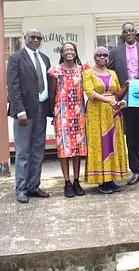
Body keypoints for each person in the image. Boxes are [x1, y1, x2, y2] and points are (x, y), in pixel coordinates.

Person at [7, 29, 54, 203]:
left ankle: (33, 186)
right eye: (32, 37)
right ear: (25, 38)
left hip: (41, 110)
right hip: (24, 113)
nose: (35, 40)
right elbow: (13, 87)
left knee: (37, 151)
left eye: (39, 38)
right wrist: (20, 112)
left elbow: (49, 85)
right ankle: (21, 189)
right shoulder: (16, 58)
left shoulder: (44, 59)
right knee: (23, 152)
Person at [107, 21, 139, 185]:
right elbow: (111, 73)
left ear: (136, 32)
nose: (128, 33)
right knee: (132, 134)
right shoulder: (114, 52)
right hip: (125, 97)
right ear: (122, 34)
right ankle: (135, 170)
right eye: (125, 31)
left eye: (131, 30)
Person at [83, 46, 129, 194]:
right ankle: (102, 181)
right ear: (94, 57)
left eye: (105, 55)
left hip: (113, 112)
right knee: (99, 143)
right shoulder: (87, 73)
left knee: (113, 144)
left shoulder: (113, 73)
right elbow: (90, 92)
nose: (102, 58)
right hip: (96, 112)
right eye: (99, 55)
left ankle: (111, 178)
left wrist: (126, 87)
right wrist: (108, 101)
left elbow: (117, 93)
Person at [48, 42, 90, 198]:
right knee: (64, 149)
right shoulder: (56, 70)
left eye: (71, 49)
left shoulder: (82, 70)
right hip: (62, 113)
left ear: (76, 52)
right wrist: (54, 113)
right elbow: (53, 92)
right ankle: (67, 183)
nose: (69, 52)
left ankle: (76, 181)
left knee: (77, 149)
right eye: (66, 50)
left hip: (79, 113)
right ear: (62, 53)